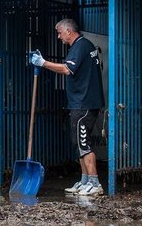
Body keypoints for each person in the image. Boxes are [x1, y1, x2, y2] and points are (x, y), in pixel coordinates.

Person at [29, 18, 105, 196]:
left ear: (69, 31)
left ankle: (95, 183)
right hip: (81, 102)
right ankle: (85, 181)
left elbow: (66, 70)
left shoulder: (80, 46)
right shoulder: (83, 45)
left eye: (59, 33)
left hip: (84, 103)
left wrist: (43, 63)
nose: (58, 37)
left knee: (84, 143)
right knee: (78, 143)